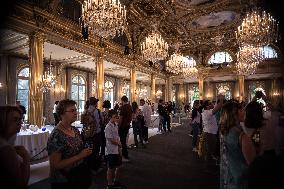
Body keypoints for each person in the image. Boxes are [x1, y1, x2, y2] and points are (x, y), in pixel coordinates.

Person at [47, 99, 93, 189]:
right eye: (72, 111)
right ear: (62, 114)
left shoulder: (74, 129)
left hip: (78, 175)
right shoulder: (57, 135)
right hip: (64, 181)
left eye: (76, 110)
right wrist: (80, 156)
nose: (76, 113)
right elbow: (55, 165)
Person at [0, 106, 30, 189]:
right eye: (15, 119)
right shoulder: (5, 150)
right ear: (3, 120)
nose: (19, 122)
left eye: (20, 119)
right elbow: (21, 184)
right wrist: (26, 157)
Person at [105, 110, 123, 189]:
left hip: (117, 148)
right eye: (115, 117)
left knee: (119, 166)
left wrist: (119, 146)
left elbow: (116, 136)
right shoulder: (108, 127)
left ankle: (116, 181)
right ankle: (109, 184)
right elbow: (110, 139)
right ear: (110, 117)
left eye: (117, 116)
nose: (116, 118)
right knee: (111, 168)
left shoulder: (115, 124)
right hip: (111, 150)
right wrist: (118, 144)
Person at [118, 96, 132, 162]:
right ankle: (124, 154)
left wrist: (118, 126)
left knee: (122, 141)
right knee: (124, 141)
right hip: (127, 125)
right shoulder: (129, 106)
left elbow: (121, 118)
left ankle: (124, 156)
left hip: (123, 126)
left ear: (122, 100)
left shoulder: (123, 107)